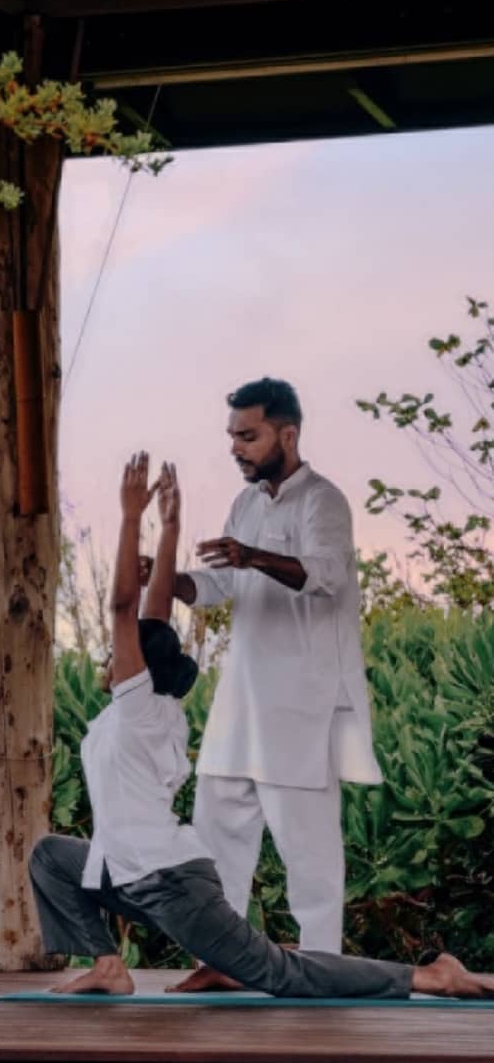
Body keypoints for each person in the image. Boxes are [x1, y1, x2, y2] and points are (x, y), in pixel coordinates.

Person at [28, 451, 493, 1001]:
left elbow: (124, 607)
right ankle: (109, 966)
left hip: (171, 884)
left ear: (136, 668)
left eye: (118, 655)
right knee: (51, 857)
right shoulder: (138, 703)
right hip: (125, 870)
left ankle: (429, 976)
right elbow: (152, 614)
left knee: (281, 975)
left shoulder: (140, 707)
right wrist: (171, 526)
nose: (109, 659)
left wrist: (131, 518)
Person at [167, 378, 378, 982]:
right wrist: (167, 578)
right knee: (214, 845)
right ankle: (219, 962)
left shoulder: (323, 500)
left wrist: (251, 556)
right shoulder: (247, 506)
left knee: (310, 859)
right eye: (232, 436)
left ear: (287, 434)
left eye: (249, 436)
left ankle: (324, 973)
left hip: (302, 708)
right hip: (241, 706)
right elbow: (219, 586)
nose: (237, 447)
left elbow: (327, 575)